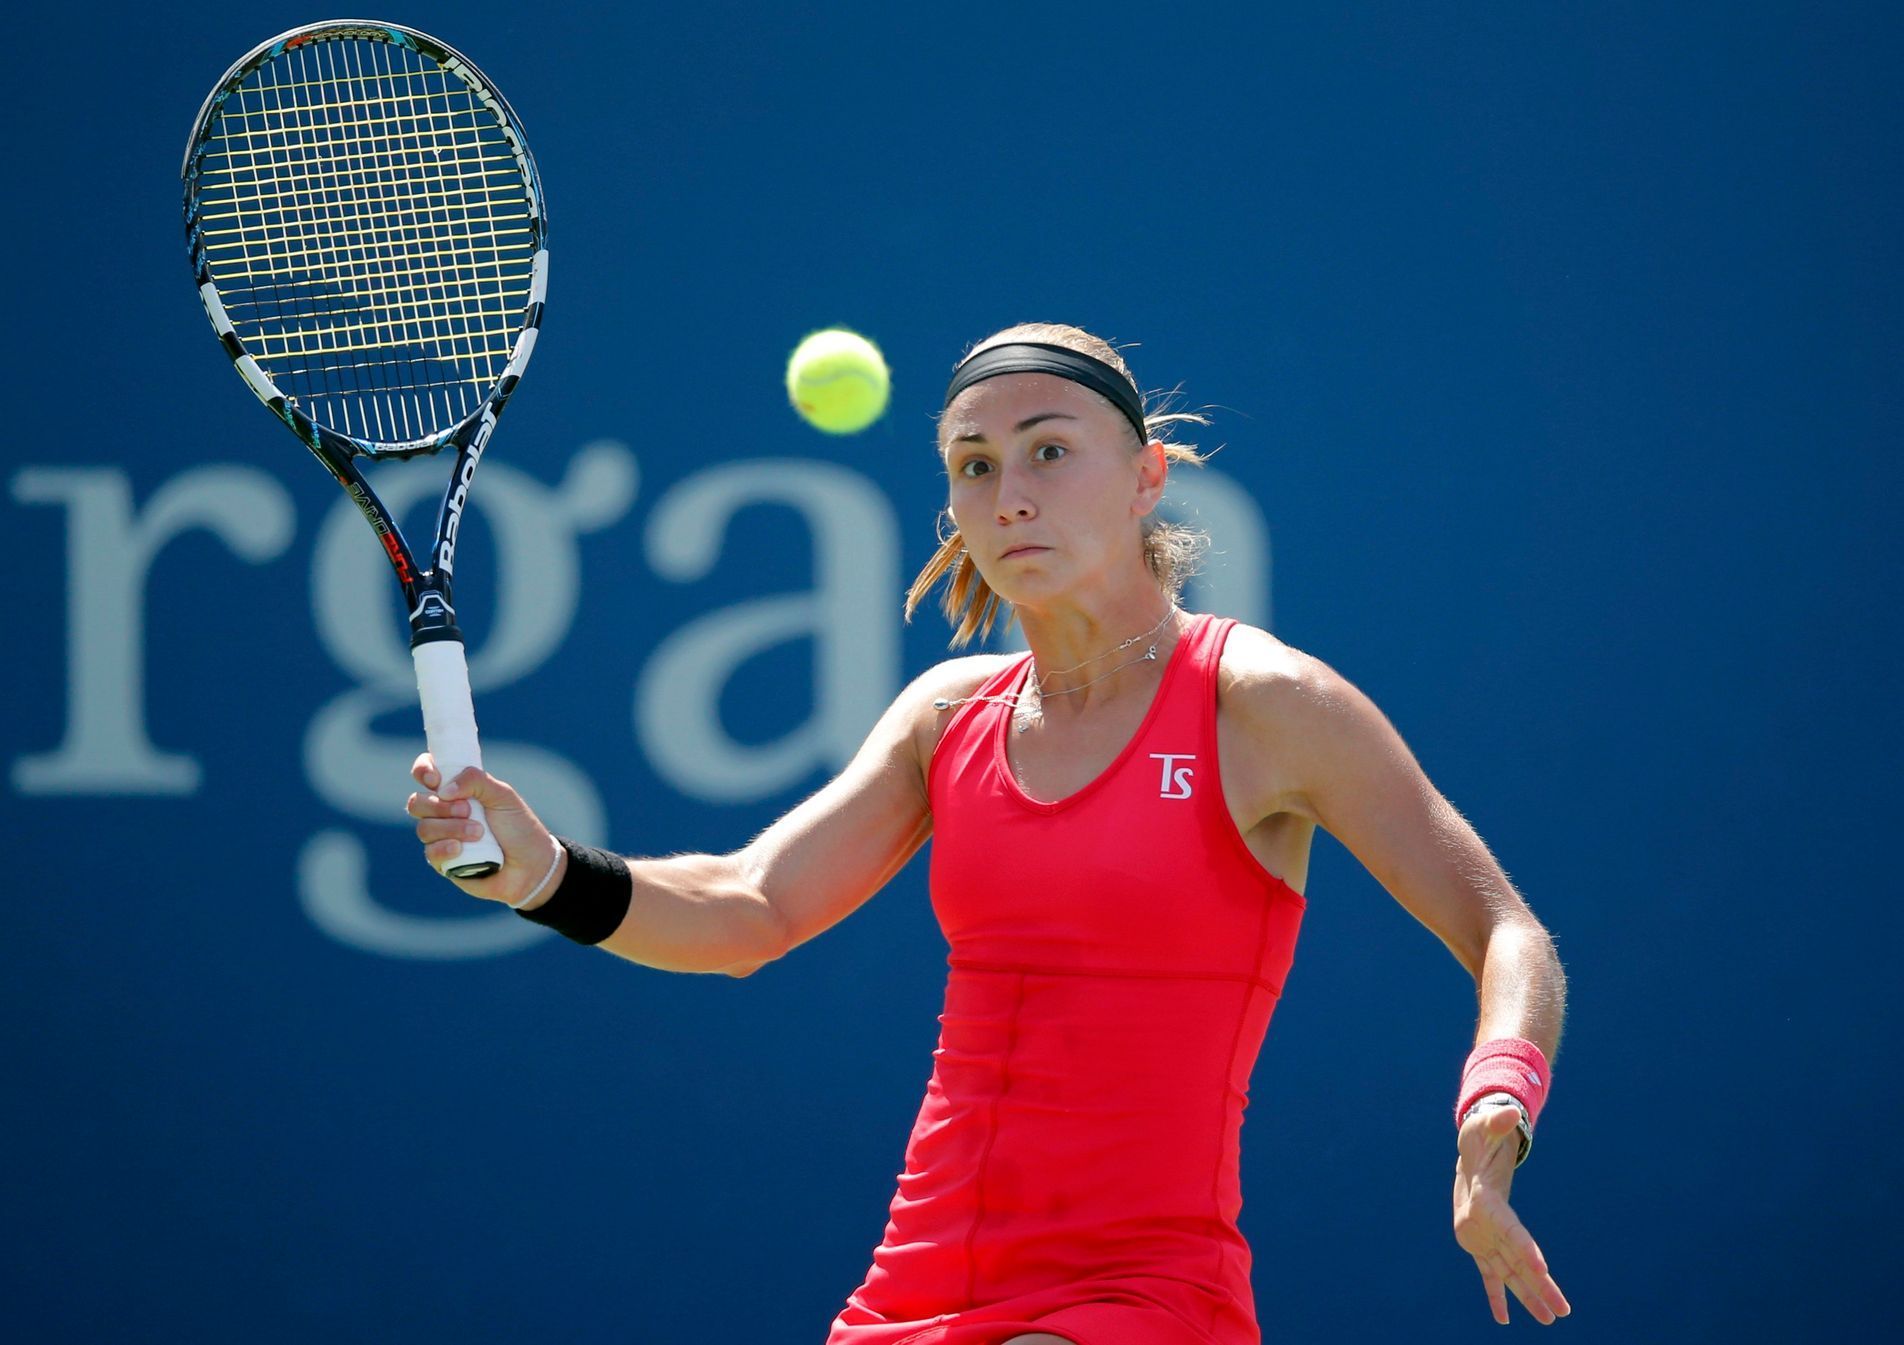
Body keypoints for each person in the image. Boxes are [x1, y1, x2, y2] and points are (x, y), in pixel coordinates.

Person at [407, 322, 1572, 1343]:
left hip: (1141, 1294)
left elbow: (1503, 931)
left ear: (1145, 476)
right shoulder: (945, 718)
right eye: (975, 466)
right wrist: (545, 874)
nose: (1008, 492)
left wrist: (1491, 1123)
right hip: (910, 1292)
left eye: (1048, 451)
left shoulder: (1261, 704)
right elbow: (745, 908)